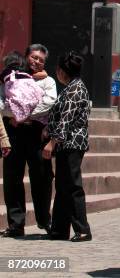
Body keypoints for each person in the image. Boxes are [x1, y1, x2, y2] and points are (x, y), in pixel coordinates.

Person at [0, 44, 57, 238]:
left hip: (37, 134)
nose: (37, 62)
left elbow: (48, 103)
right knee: (12, 178)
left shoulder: (48, 81)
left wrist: (22, 115)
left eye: (41, 60)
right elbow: (1, 103)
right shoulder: (9, 78)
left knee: (42, 177)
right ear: (26, 57)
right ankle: (16, 224)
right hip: (14, 134)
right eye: (34, 57)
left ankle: (45, 221)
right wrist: (13, 113)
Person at [42, 52, 92, 241]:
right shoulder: (72, 87)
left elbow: (66, 120)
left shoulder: (74, 89)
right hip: (66, 144)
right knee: (63, 186)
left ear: (63, 71)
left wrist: (51, 142)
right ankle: (59, 230)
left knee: (72, 186)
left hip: (71, 143)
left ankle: (83, 229)